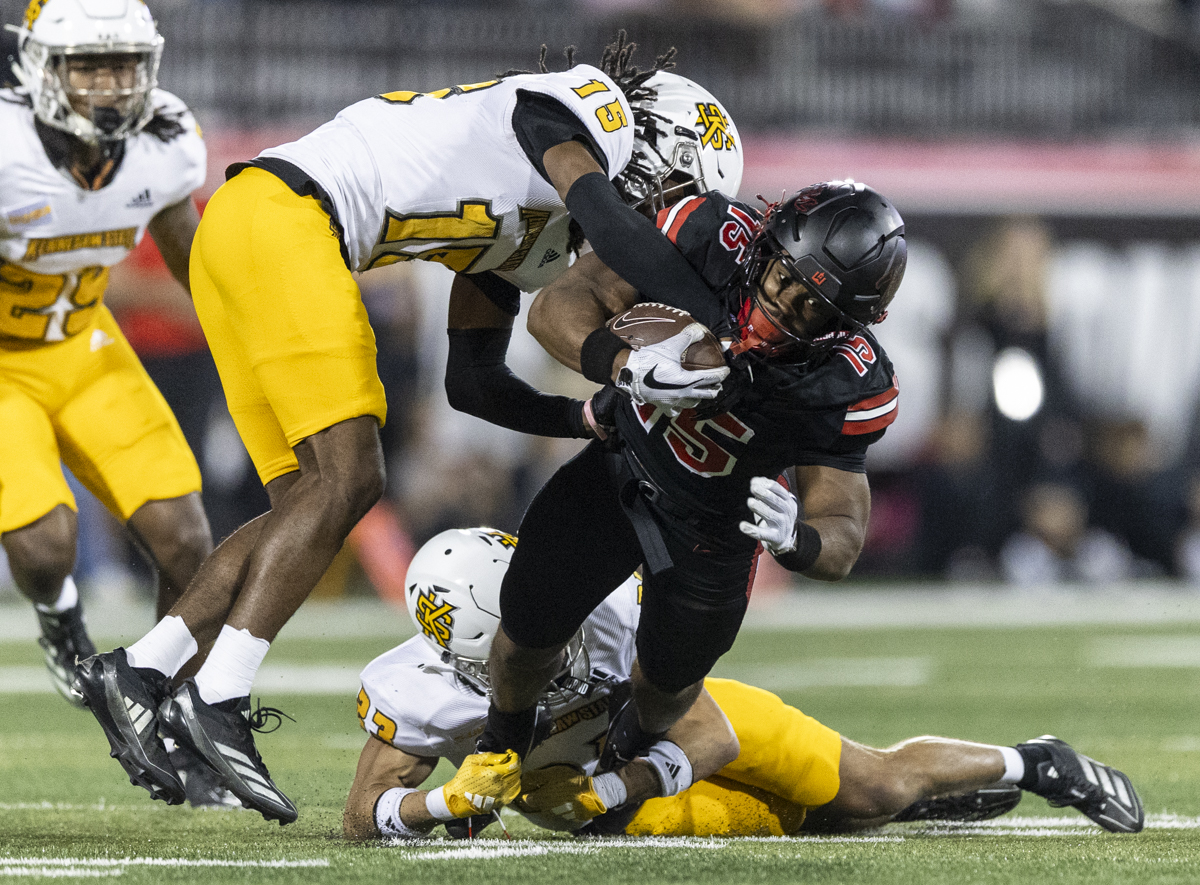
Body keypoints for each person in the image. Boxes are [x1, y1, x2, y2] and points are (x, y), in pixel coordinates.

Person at [76, 34, 742, 824]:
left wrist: (584, 416)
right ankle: (216, 697)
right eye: (672, 200)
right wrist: (716, 306)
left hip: (252, 229)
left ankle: (142, 671)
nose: (662, 223)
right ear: (652, 139)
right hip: (289, 217)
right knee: (352, 477)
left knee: (306, 504)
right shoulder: (575, 105)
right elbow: (609, 213)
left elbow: (474, 379)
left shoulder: (545, 226)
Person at [457, 180, 904, 790]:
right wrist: (624, 366)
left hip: (713, 531)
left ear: (847, 323)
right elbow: (558, 305)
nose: (785, 307)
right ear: (765, 247)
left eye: (812, 307)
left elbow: (844, 530)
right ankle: (501, 741)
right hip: (623, 466)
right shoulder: (705, 237)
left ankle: (629, 747)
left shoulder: (849, 381)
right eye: (784, 280)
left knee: (664, 689)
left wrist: (795, 538)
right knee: (526, 629)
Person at [342, 528, 1145, 840]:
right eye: (522, 645)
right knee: (827, 824)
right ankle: (932, 795)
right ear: (465, 659)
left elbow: (709, 732)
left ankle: (1034, 762)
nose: (551, 646)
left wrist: (613, 787)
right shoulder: (419, 690)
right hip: (628, 813)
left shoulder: (616, 608)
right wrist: (444, 804)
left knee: (869, 786)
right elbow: (360, 823)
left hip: (681, 739)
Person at [1, 0, 215, 731]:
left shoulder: (163, 140)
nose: (111, 84)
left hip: (85, 340)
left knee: (187, 541)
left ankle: (161, 715)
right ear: (43, 68)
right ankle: (62, 622)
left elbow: (192, 253)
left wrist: (249, 337)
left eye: (125, 64)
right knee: (44, 544)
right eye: (90, 64)